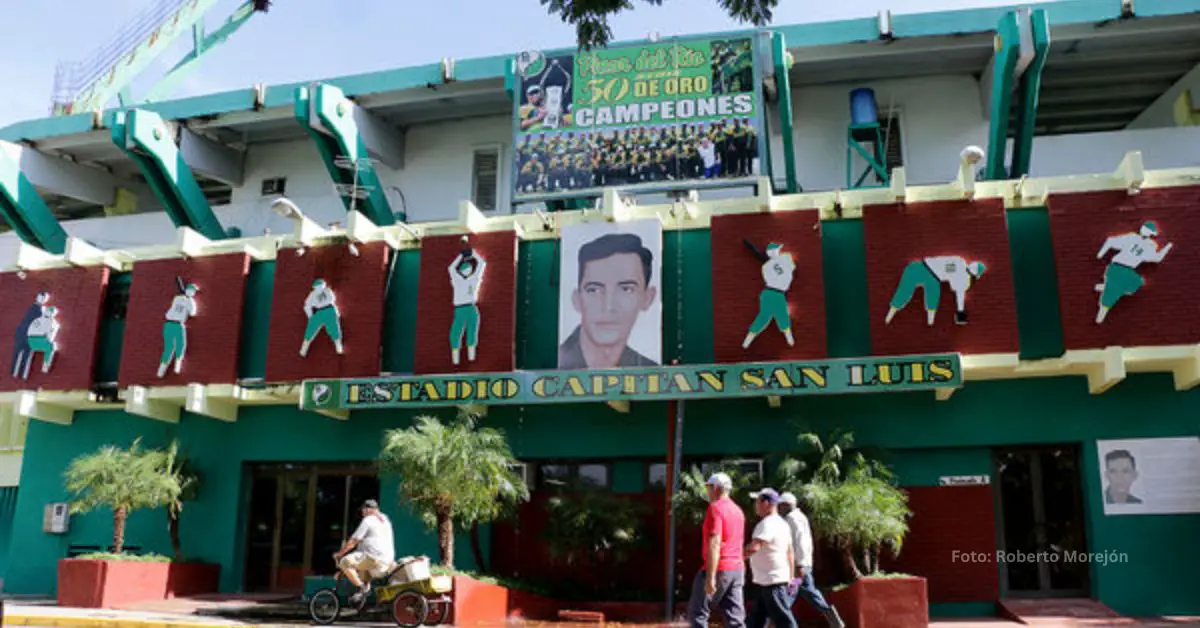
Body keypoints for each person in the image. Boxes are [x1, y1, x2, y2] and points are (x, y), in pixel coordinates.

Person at [558, 232, 659, 369]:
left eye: (626, 289)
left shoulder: (650, 370)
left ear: (647, 298)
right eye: (594, 290)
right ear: (577, 300)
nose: (608, 306)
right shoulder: (554, 365)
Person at [687, 473, 745, 628]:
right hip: (737, 569)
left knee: (698, 613)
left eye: (709, 487)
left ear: (716, 488)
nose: (707, 491)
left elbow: (715, 542)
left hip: (719, 567)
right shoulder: (738, 510)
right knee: (735, 618)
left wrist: (710, 577)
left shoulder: (715, 508)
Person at [779, 492, 845, 628]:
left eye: (780, 506)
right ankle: (834, 620)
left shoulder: (792, 519)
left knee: (790, 594)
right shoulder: (799, 516)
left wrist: (800, 565)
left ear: (786, 505)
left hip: (798, 567)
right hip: (802, 565)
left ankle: (776, 619)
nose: (779, 509)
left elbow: (800, 542)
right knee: (807, 592)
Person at [1095, 221, 1172, 324]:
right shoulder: (1132, 238)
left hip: (1128, 270)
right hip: (1117, 267)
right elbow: (1110, 241)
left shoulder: (1149, 245)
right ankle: (1101, 314)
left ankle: (1106, 287)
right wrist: (1100, 254)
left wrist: (1167, 247)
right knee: (1111, 295)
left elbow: (1156, 258)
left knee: (1137, 281)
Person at [744, 488, 797, 628]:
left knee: (785, 622)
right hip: (770, 581)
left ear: (766, 503)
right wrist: (791, 577)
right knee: (756, 621)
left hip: (772, 582)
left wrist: (734, 558)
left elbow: (754, 547)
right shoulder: (782, 523)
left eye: (757, 502)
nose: (755, 505)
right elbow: (790, 552)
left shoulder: (767, 524)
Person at [885, 256, 987, 326]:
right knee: (932, 297)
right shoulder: (961, 272)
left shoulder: (959, 262)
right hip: (931, 274)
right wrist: (960, 312)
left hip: (918, 267)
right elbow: (958, 292)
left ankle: (888, 318)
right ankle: (930, 322)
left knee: (904, 293)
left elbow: (946, 270)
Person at [334, 499, 396, 604]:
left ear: (368, 510)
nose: (362, 512)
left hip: (374, 559)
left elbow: (354, 541)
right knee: (362, 566)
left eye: (363, 509)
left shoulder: (368, 520)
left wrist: (340, 554)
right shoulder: (385, 519)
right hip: (387, 560)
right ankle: (363, 592)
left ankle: (363, 588)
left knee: (344, 562)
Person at [742, 241, 796, 349]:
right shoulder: (785, 258)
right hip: (777, 293)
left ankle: (747, 341)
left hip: (768, 293)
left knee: (764, 317)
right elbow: (791, 267)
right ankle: (790, 340)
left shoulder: (766, 266)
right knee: (781, 316)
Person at [449, 241, 486, 365]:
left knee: (471, 331)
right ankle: (456, 359)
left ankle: (471, 358)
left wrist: (470, 254)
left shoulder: (473, 279)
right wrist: (465, 255)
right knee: (456, 332)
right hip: (460, 308)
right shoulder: (457, 279)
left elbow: (482, 264)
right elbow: (450, 268)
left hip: (470, 307)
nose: (467, 271)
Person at [159, 281, 199, 378]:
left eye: (193, 291)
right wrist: (189, 302)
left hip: (174, 324)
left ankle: (173, 367)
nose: (192, 293)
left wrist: (189, 301)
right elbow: (192, 313)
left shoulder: (182, 299)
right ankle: (165, 369)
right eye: (191, 290)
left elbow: (192, 313)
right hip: (173, 324)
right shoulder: (180, 299)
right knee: (174, 346)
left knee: (177, 346)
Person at [300, 278, 344, 357]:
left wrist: (336, 311)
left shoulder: (327, 291)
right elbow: (307, 305)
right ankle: (304, 348)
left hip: (329, 311)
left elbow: (332, 301)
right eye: (318, 287)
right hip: (321, 312)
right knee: (311, 329)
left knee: (334, 328)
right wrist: (311, 316)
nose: (319, 288)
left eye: (320, 286)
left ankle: (338, 346)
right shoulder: (313, 294)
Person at [12, 292, 48, 378]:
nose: (40, 299)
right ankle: (16, 372)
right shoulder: (34, 309)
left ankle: (21, 373)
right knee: (19, 354)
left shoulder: (40, 311)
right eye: (40, 297)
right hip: (24, 335)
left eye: (43, 298)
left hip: (30, 336)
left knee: (25, 355)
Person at [24, 305, 61, 378]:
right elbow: (50, 337)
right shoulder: (51, 321)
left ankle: (43, 365)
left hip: (30, 341)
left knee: (50, 345)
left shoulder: (37, 319)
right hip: (39, 340)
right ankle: (45, 365)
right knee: (52, 346)